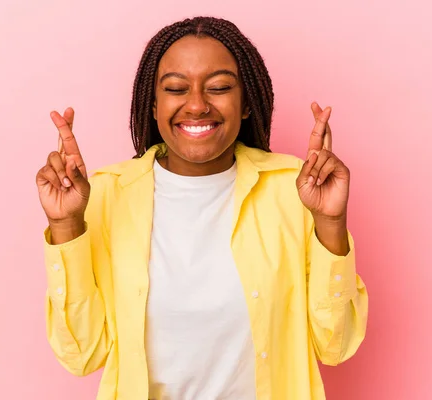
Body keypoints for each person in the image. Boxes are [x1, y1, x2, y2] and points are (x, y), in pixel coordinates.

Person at [36, 16, 368, 400]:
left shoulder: (295, 190)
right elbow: (82, 354)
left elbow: (336, 345)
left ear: (245, 104)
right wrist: (66, 226)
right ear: (154, 104)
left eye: (219, 87)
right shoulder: (105, 194)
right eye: (176, 88)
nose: (196, 105)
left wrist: (330, 222)